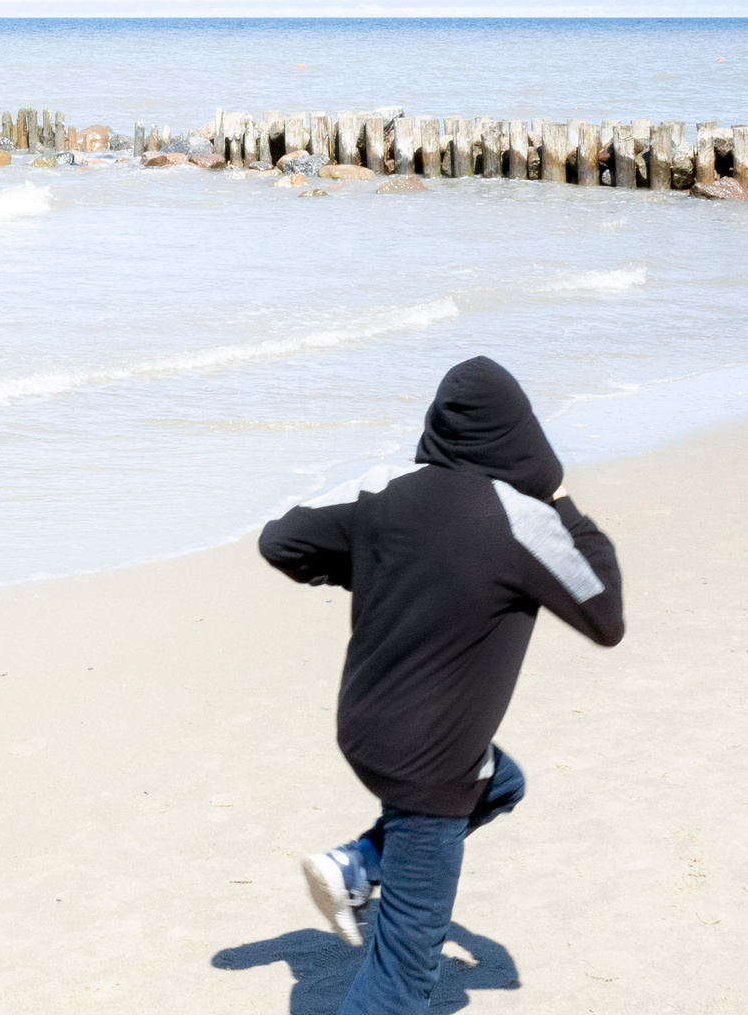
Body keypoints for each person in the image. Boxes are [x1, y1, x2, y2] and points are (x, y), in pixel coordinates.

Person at [258, 355, 624, 1015]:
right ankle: (374, 874)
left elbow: (280, 539)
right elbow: (604, 614)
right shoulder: (522, 519)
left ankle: (360, 863)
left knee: (503, 782)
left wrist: (377, 566)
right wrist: (562, 502)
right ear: (522, 436)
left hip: (364, 731)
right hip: (433, 770)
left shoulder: (382, 488)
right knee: (402, 979)